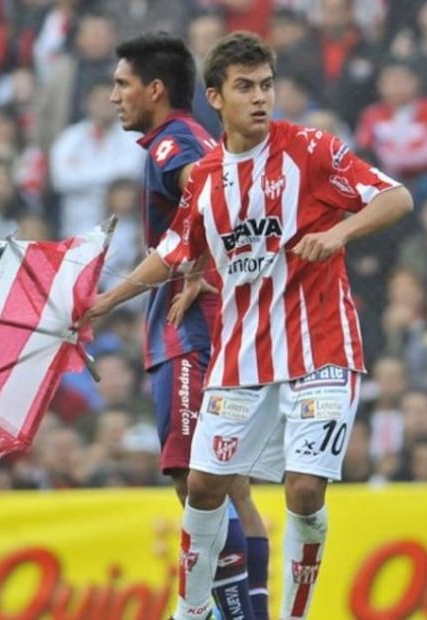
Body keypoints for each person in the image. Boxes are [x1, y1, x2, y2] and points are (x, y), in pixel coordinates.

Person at [88, 31, 413, 620]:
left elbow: (396, 198)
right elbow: (173, 249)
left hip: (321, 347)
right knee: (205, 486)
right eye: (245, 87)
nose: (260, 98)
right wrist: (105, 301)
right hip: (242, 355)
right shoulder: (209, 176)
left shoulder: (311, 149)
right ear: (216, 97)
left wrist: (338, 232)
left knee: (304, 491)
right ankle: (190, 611)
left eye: (266, 85)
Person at [109, 33, 267, 620]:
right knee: (231, 485)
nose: (113, 96)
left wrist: (197, 263)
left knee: (192, 478)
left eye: (122, 84)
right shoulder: (189, 137)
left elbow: (208, 186)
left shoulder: (173, 144)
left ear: (155, 90)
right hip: (220, 321)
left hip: (189, 326)